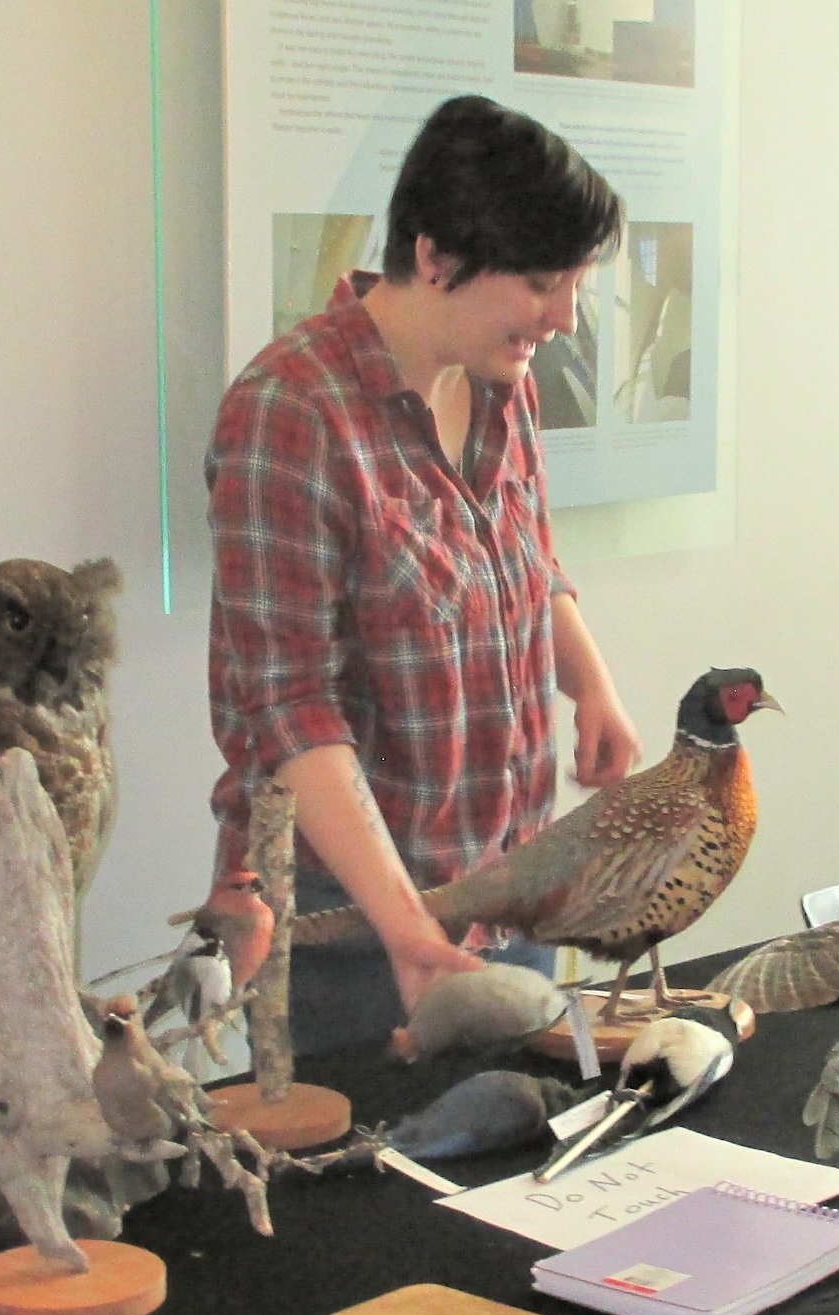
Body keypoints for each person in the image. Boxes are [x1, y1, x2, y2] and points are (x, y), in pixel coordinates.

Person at [205, 96, 642, 1055]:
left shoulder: (502, 381)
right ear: (437, 257)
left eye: (572, 283)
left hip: (510, 877)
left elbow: (525, 557)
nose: (565, 317)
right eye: (540, 282)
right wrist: (403, 923)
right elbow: (289, 708)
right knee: (387, 1186)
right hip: (353, 915)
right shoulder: (289, 412)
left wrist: (591, 684)